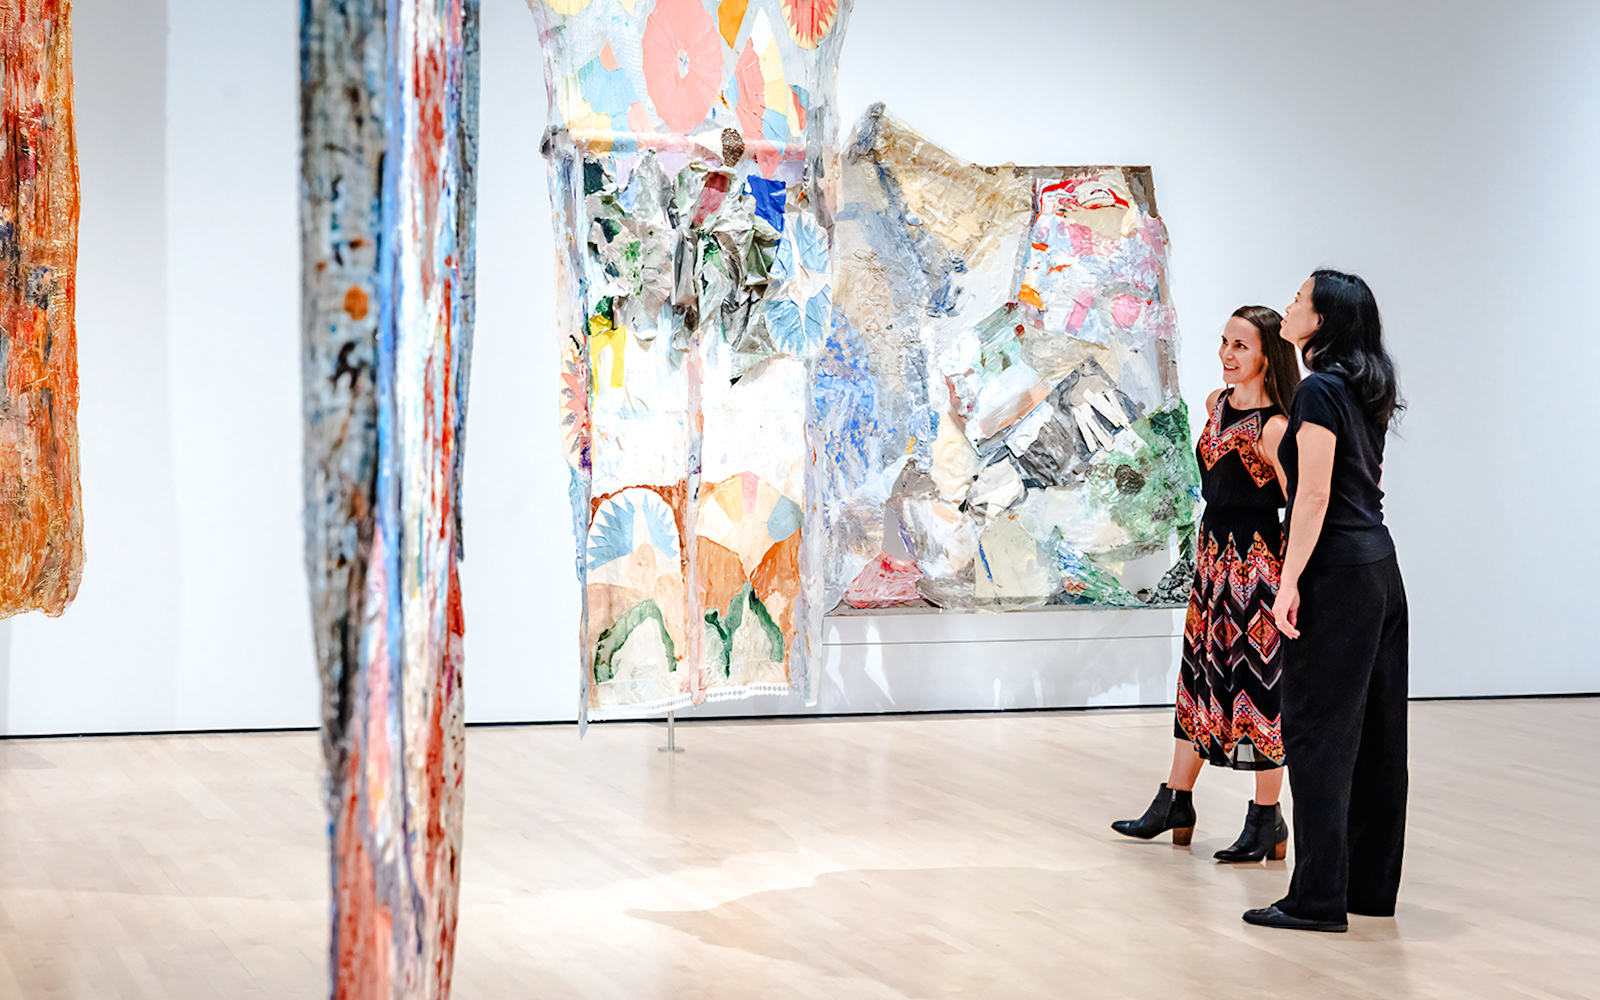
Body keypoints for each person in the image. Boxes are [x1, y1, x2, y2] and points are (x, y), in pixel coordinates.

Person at [1243, 269, 1408, 933]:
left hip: (1335, 575)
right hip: (1381, 569)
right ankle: (1367, 891)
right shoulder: (1366, 387)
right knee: (1377, 739)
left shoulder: (1318, 390)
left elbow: (1310, 497)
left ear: (1323, 321)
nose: (1288, 305)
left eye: (1298, 299)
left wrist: (1287, 583)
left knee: (1317, 737)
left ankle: (1314, 901)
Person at [1112, 306, 1300, 862]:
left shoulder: (1276, 425)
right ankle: (1176, 798)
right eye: (1224, 342)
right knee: (1198, 679)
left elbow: (1300, 500)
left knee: (1261, 689)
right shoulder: (1217, 406)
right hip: (1213, 565)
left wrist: (1290, 580)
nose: (1227, 353)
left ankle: (1267, 818)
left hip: (1257, 569)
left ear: (1267, 354)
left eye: (1241, 345)